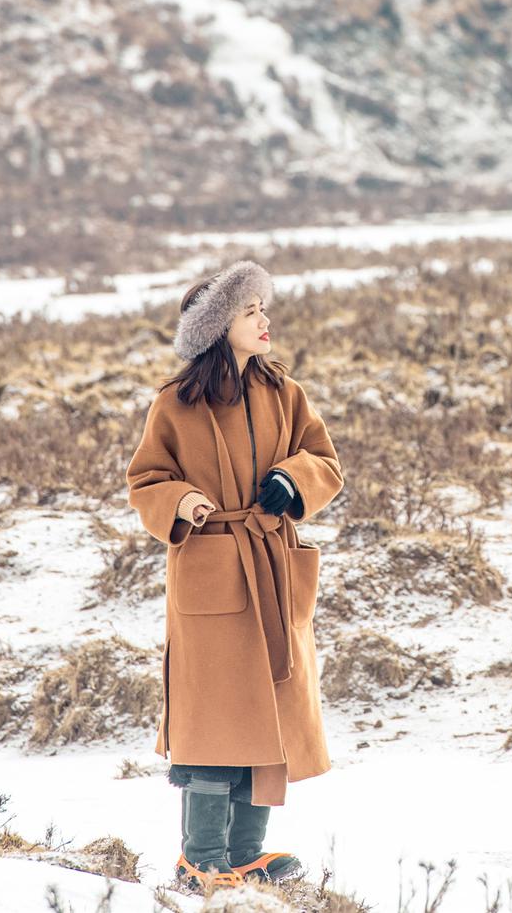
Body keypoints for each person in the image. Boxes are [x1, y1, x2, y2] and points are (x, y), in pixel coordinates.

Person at [125, 259, 344, 895]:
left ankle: (245, 853)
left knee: (268, 714)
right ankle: (200, 857)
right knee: (213, 715)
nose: (265, 320)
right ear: (219, 327)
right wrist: (183, 502)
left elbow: (325, 460)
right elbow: (146, 481)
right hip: (211, 571)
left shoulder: (286, 393)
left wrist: (293, 482)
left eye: (261, 309)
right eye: (251, 312)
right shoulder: (175, 404)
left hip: (273, 570)